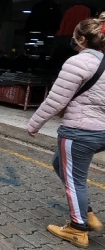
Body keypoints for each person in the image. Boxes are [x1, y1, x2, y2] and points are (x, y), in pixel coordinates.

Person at [26, 15, 105, 249]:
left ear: (81, 39)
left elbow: (55, 100)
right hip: (100, 133)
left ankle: (78, 229)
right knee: (58, 163)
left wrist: (34, 124)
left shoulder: (77, 62)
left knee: (74, 180)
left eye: (74, 35)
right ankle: (86, 213)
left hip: (78, 132)